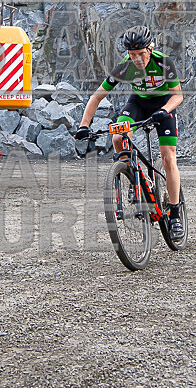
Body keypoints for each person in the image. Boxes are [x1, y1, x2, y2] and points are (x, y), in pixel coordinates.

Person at [74, 26, 185, 241]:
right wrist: (83, 126)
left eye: (140, 54)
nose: (136, 59)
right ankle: (133, 180)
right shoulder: (125, 67)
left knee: (168, 157)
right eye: (132, 55)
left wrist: (164, 111)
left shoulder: (164, 64)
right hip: (138, 104)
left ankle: (174, 214)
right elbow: (97, 96)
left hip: (164, 106)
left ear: (150, 49)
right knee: (118, 137)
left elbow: (177, 96)